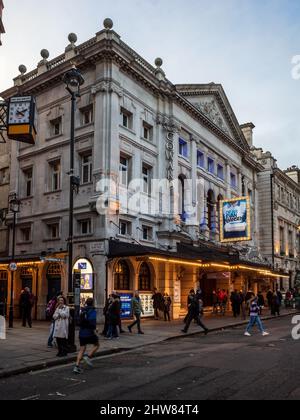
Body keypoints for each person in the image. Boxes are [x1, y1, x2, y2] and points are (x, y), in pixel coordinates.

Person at [73, 298, 100, 374]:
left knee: (82, 349)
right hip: (89, 333)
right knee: (97, 345)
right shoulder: (92, 311)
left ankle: (76, 366)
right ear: (92, 303)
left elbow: (79, 321)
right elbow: (92, 322)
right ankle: (88, 356)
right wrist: (95, 328)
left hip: (81, 333)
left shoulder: (83, 310)